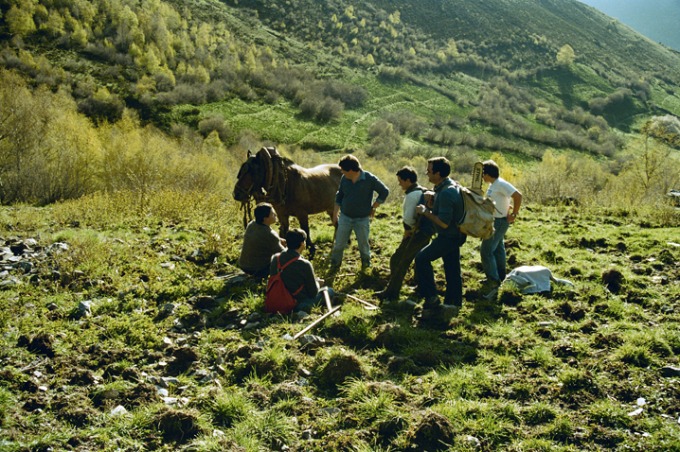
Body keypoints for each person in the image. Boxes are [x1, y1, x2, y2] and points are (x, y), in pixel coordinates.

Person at [375, 166, 435, 301]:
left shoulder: (412, 195)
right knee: (420, 259)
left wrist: (408, 230)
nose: (399, 183)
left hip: (416, 233)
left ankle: (392, 292)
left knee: (398, 260)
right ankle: (421, 288)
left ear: (408, 180)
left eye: (400, 180)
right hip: (427, 232)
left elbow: (408, 218)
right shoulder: (422, 191)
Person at [414, 157, 466, 308]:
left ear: (438, 174)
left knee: (422, 259)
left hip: (449, 236)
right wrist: (433, 200)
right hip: (456, 235)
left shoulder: (446, 193)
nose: (427, 173)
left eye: (429, 171)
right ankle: (454, 302)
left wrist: (425, 212)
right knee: (452, 268)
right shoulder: (449, 185)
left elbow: (443, 223)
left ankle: (431, 297)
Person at [330, 155, 389, 271]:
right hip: (345, 217)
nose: (341, 172)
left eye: (343, 169)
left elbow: (384, 191)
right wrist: (335, 215)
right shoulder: (344, 178)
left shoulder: (369, 179)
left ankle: (365, 266)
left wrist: (375, 206)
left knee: (363, 245)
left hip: (362, 219)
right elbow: (339, 196)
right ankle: (335, 265)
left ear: (351, 170)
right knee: (339, 245)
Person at [479, 159, 522, 296]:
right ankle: (501, 276)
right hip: (494, 220)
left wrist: (514, 214)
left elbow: (517, 195)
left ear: (488, 174)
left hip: (499, 222)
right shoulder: (494, 185)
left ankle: (493, 279)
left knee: (486, 250)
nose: (482, 177)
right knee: (498, 248)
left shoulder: (501, 183)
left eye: (483, 174)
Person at [270, 228, 333, 312]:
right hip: (296, 304)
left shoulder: (275, 258)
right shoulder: (305, 264)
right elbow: (313, 293)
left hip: (277, 300)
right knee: (329, 291)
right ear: (302, 243)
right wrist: (317, 283)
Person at [238, 202, 284, 278]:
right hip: (257, 269)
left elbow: (264, 238)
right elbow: (284, 254)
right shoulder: (270, 234)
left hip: (243, 265)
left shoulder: (252, 224)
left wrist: (279, 240)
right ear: (265, 218)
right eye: (272, 214)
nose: (275, 215)